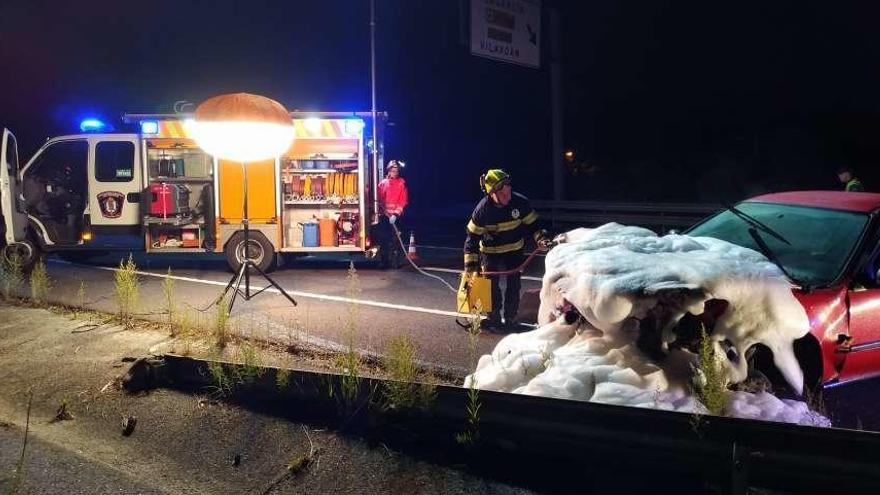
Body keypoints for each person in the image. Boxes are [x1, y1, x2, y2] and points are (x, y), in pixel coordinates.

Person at [463, 169, 548, 331]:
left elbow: (535, 226)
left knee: (514, 284)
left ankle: (511, 317)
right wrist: (471, 270)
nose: (508, 197)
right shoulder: (482, 211)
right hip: (490, 252)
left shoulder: (520, 203)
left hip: (515, 250)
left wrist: (541, 239)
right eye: (503, 195)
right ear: (492, 193)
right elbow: (471, 241)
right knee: (490, 285)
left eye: (509, 192)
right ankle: (493, 316)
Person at [377, 160, 410, 268]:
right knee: (383, 240)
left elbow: (403, 201)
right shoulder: (382, 183)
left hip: (396, 217)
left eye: (396, 171)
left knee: (396, 240)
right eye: (392, 170)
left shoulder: (401, 183)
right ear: (388, 171)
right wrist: (382, 211)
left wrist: (396, 214)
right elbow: (379, 199)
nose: (394, 172)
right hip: (384, 217)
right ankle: (384, 261)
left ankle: (395, 262)